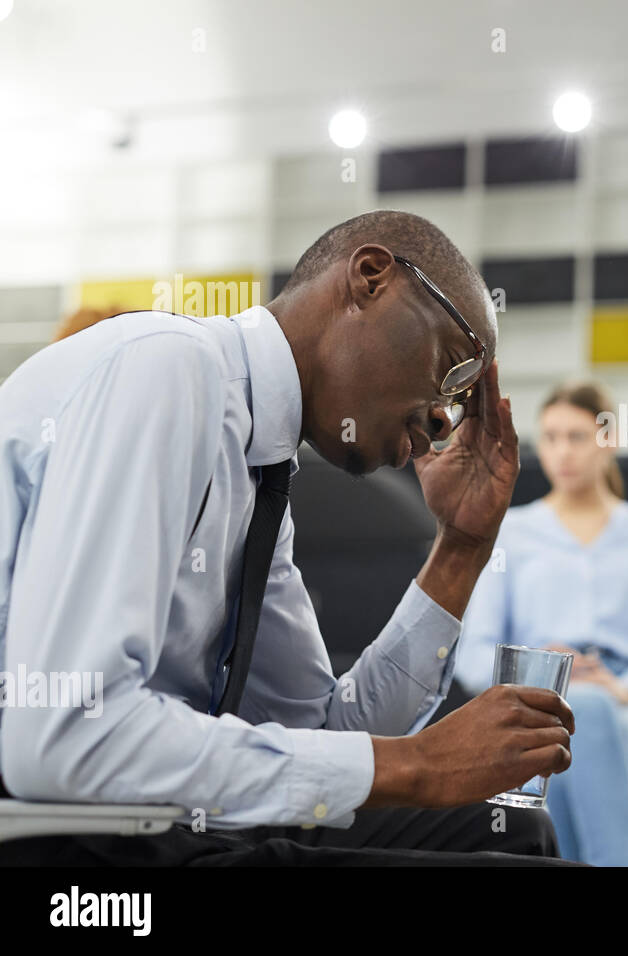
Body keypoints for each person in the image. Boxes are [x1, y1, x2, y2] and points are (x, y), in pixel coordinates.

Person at [0, 209, 578, 866]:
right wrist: (417, 764)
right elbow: (64, 737)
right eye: (451, 367)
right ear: (370, 277)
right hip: (55, 832)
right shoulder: (169, 368)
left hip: (148, 815)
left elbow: (320, 736)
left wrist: (461, 550)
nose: (446, 417)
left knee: (514, 834)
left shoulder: (259, 465)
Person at [456, 381, 628, 866]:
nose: (562, 452)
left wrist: (623, 688)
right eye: (550, 438)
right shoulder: (514, 531)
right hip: (536, 710)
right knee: (562, 731)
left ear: (607, 441)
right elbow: (472, 653)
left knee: (581, 721)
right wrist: (539, 678)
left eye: (576, 437)